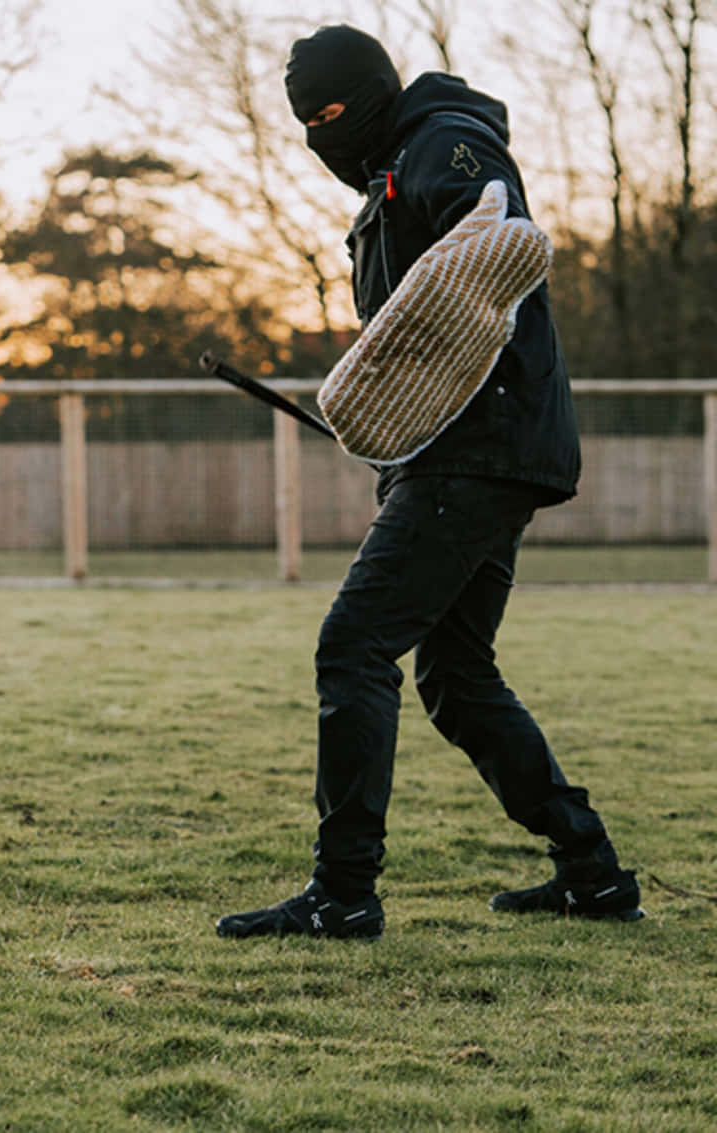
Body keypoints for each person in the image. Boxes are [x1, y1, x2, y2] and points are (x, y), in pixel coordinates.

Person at [217, 26, 641, 940]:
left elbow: (495, 241)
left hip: (474, 449)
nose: (323, 130)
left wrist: (409, 396)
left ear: (372, 90)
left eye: (332, 109)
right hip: (477, 451)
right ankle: (593, 871)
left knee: (354, 646)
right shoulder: (389, 170)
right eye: (308, 121)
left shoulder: (444, 141)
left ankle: (343, 892)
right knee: (454, 674)